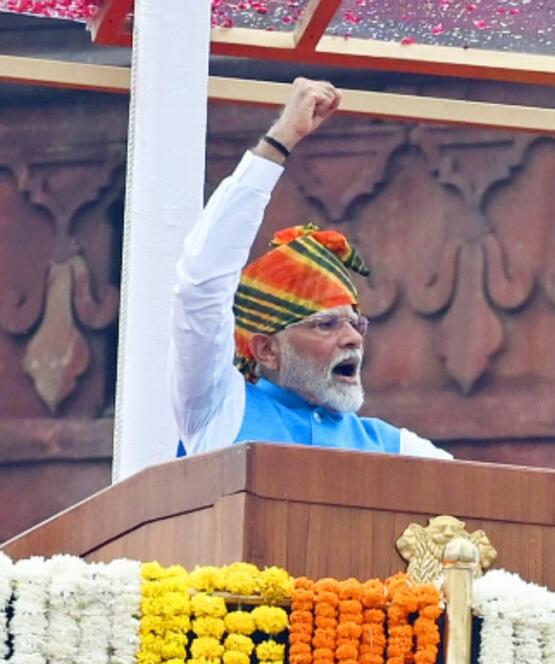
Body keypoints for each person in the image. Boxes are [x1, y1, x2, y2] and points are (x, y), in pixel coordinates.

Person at [169, 77, 453, 460]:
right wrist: (281, 139)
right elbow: (201, 285)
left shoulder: (397, 449)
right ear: (268, 349)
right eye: (327, 324)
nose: (353, 337)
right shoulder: (219, 408)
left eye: (356, 323)